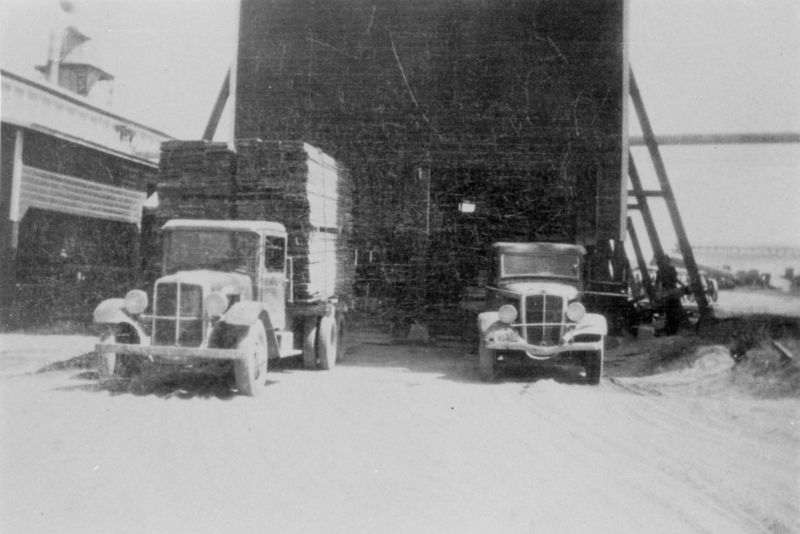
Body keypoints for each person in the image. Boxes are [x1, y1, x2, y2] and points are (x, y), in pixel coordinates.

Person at [655, 254, 684, 336]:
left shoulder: (666, 270)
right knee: (671, 311)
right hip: (670, 292)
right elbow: (660, 282)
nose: (665, 262)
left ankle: (672, 330)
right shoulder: (668, 269)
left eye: (666, 260)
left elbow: (674, 279)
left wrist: (682, 285)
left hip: (669, 292)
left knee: (672, 311)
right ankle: (672, 330)